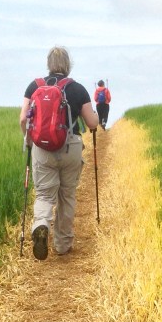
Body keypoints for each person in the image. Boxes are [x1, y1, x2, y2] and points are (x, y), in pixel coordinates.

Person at [20, 46, 99, 260]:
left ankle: (41, 224)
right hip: (70, 146)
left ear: (48, 64)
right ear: (68, 65)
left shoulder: (34, 87)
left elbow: (22, 120)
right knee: (66, 195)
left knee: (45, 193)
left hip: (42, 149)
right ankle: (62, 244)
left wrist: (29, 141)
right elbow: (92, 123)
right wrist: (97, 117)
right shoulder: (77, 89)